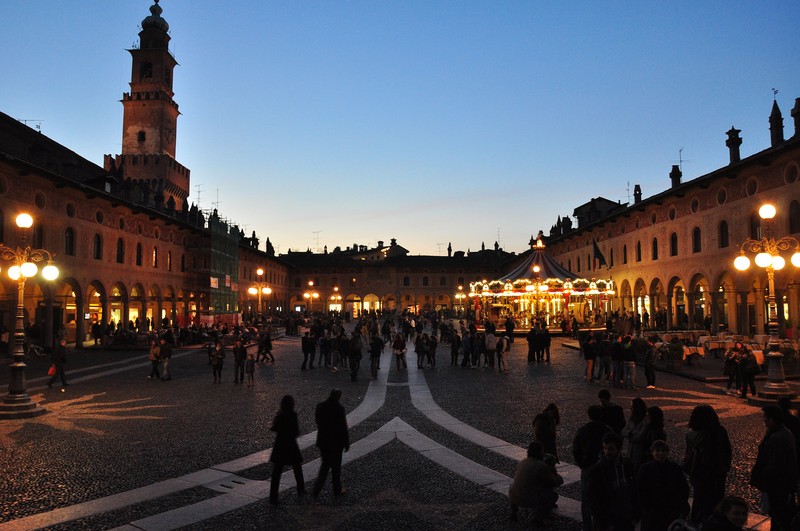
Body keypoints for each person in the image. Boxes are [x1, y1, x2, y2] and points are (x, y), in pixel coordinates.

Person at [750, 405, 798, 531]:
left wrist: (762, 480)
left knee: (779, 516)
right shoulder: (783, 433)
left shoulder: (778, 438)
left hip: (778, 487)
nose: (763, 420)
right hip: (782, 486)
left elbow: (774, 465)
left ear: (771, 419)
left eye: (765, 417)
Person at [683, 404, 732, 524]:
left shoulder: (691, 433)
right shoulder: (718, 432)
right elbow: (727, 451)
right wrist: (723, 468)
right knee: (713, 503)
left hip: (697, 473)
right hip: (714, 475)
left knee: (699, 500)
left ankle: (696, 523)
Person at [587, 432, 639, 531]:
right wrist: (604, 523)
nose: (607, 452)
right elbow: (593, 499)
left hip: (626, 518)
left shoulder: (627, 465)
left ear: (619, 449)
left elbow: (634, 491)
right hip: (609, 520)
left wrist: (635, 516)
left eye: (610, 448)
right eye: (605, 448)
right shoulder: (596, 471)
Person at [572, 404, 613, 531]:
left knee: (586, 498)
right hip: (603, 466)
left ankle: (587, 526)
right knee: (602, 496)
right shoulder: (607, 430)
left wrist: (581, 463)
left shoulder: (583, 430)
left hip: (587, 466)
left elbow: (576, 449)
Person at [636, 440, 690, 531]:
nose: (660, 453)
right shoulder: (646, 469)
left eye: (663, 450)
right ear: (652, 452)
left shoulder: (674, 468)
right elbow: (639, 490)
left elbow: (684, 488)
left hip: (668, 511)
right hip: (653, 512)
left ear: (667, 452)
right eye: (657, 450)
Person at [508, 441, 563, 524]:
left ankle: (514, 512)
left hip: (515, 497)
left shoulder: (522, 462)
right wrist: (554, 472)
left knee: (515, 486)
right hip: (529, 500)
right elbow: (555, 482)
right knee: (553, 495)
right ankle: (539, 518)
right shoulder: (541, 466)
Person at [313, 389, 350, 498]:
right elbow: (343, 427)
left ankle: (317, 489)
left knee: (324, 466)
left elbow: (317, 421)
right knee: (336, 468)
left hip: (323, 441)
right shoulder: (339, 409)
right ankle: (337, 490)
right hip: (336, 443)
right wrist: (346, 443)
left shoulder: (320, 406)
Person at [269, 395, 305, 505]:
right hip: (291, 445)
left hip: (280, 446)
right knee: (297, 468)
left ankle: (273, 497)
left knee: (276, 473)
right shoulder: (293, 415)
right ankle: (301, 489)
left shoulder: (280, 415)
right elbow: (296, 432)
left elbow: (274, 428)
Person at [621, 397, 648, 470]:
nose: (630, 409)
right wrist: (632, 433)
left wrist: (630, 433)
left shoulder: (645, 421)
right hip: (630, 451)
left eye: (632, 407)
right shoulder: (632, 419)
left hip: (640, 452)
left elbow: (639, 437)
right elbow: (623, 431)